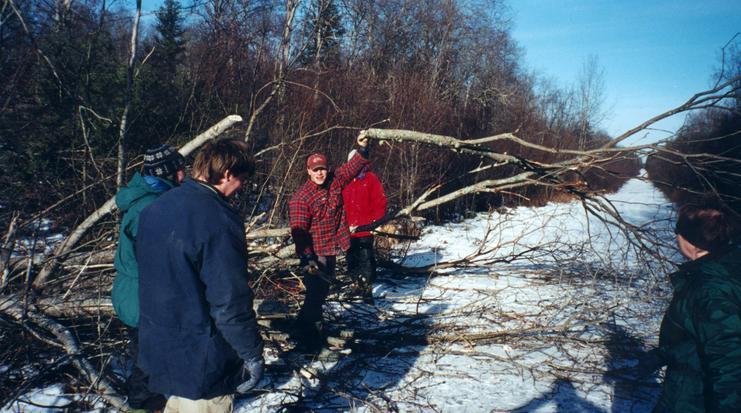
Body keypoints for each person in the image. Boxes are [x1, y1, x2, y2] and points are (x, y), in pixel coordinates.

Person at [136, 139, 264, 413]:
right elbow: (229, 301)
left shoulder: (154, 210)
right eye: (241, 179)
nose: (240, 187)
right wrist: (251, 352)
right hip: (203, 359)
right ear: (227, 174)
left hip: (159, 351)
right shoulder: (218, 220)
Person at [112, 144, 185, 412]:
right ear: (168, 172)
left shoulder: (149, 200)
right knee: (148, 360)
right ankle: (143, 406)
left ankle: (151, 402)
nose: (183, 174)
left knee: (149, 356)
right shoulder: (152, 207)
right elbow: (158, 261)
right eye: (179, 169)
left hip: (135, 292)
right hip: (142, 296)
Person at [653, 202, 741, 412]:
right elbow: (701, 335)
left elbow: (730, 362)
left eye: (678, 231)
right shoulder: (724, 268)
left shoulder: (709, 290)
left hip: (696, 399)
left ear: (691, 241)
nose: (676, 237)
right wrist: (663, 354)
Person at [289, 133, 370, 351]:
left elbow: (351, 168)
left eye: (322, 169)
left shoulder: (334, 181)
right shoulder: (301, 198)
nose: (320, 173)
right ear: (308, 171)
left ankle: (300, 325)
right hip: (316, 254)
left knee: (322, 292)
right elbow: (299, 233)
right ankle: (310, 339)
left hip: (332, 247)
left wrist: (362, 149)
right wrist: (308, 258)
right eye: (315, 170)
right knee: (316, 294)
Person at [341, 149, 387, 303]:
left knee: (366, 258)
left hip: (365, 229)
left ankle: (367, 287)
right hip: (348, 230)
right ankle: (356, 284)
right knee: (351, 258)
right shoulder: (344, 181)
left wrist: (375, 223)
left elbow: (380, 203)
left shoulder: (370, 179)